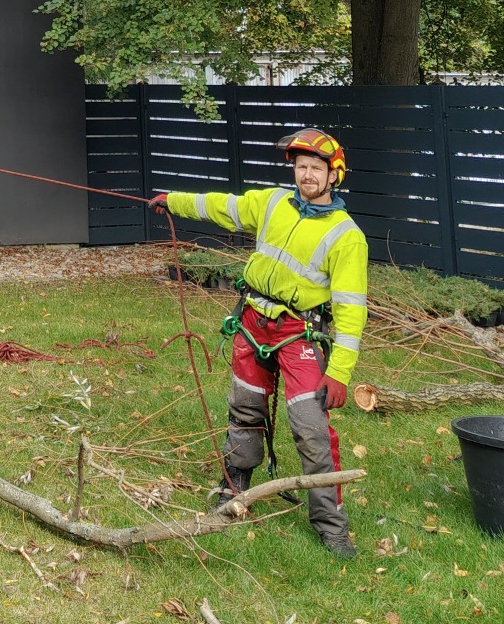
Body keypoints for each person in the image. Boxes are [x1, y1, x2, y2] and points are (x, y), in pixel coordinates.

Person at [150, 128, 368, 558]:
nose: (306, 175)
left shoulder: (347, 237)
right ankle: (234, 489)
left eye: (315, 169)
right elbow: (221, 205)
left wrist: (339, 371)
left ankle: (331, 528)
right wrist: (172, 200)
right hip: (252, 324)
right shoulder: (271, 203)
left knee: (311, 428)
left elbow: (351, 310)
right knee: (244, 407)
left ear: (333, 174)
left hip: (298, 333)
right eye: (301, 167)